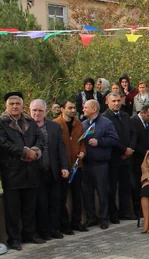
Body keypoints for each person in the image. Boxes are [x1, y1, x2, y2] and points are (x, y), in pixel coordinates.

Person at [0, 92, 45, 250]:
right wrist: (24, 152)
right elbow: (3, 143)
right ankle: (14, 239)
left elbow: (40, 138)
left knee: (30, 205)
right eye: (11, 104)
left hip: (31, 169)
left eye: (17, 104)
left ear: (23, 106)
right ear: (6, 106)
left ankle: (30, 234)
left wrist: (35, 151)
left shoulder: (29, 121)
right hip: (12, 172)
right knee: (12, 209)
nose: (15, 106)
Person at [30, 99, 68, 241]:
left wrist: (64, 166)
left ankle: (55, 229)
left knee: (55, 202)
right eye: (34, 110)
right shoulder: (26, 126)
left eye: (40, 110)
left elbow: (61, 148)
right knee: (41, 204)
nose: (37, 113)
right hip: (36, 172)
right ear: (30, 111)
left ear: (46, 112)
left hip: (53, 171)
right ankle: (43, 231)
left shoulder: (54, 126)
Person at [80, 100, 119, 230]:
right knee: (87, 192)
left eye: (86, 107)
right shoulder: (83, 124)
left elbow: (114, 139)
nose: (83, 109)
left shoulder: (106, 122)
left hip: (101, 163)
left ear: (94, 109)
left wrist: (99, 142)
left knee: (102, 191)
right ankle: (91, 217)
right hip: (86, 163)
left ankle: (104, 218)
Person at [54, 100, 87, 234]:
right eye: (70, 108)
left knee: (77, 195)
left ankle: (76, 222)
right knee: (62, 197)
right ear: (62, 109)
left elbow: (82, 141)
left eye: (74, 107)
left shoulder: (78, 123)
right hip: (63, 166)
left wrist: (83, 152)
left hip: (77, 165)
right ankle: (64, 224)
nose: (73, 110)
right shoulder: (56, 124)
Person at [102, 92, 136, 223]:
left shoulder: (125, 115)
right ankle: (113, 214)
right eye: (113, 101)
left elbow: (133, 133)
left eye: (118, 101)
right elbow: (111, 138)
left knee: (126, 186)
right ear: (107, 102)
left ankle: (126, 211)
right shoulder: (105, 118)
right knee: (112, 187)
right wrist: (123, 149)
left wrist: (130, 149)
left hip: (127, 158)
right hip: (114, 157)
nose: (116, 103)